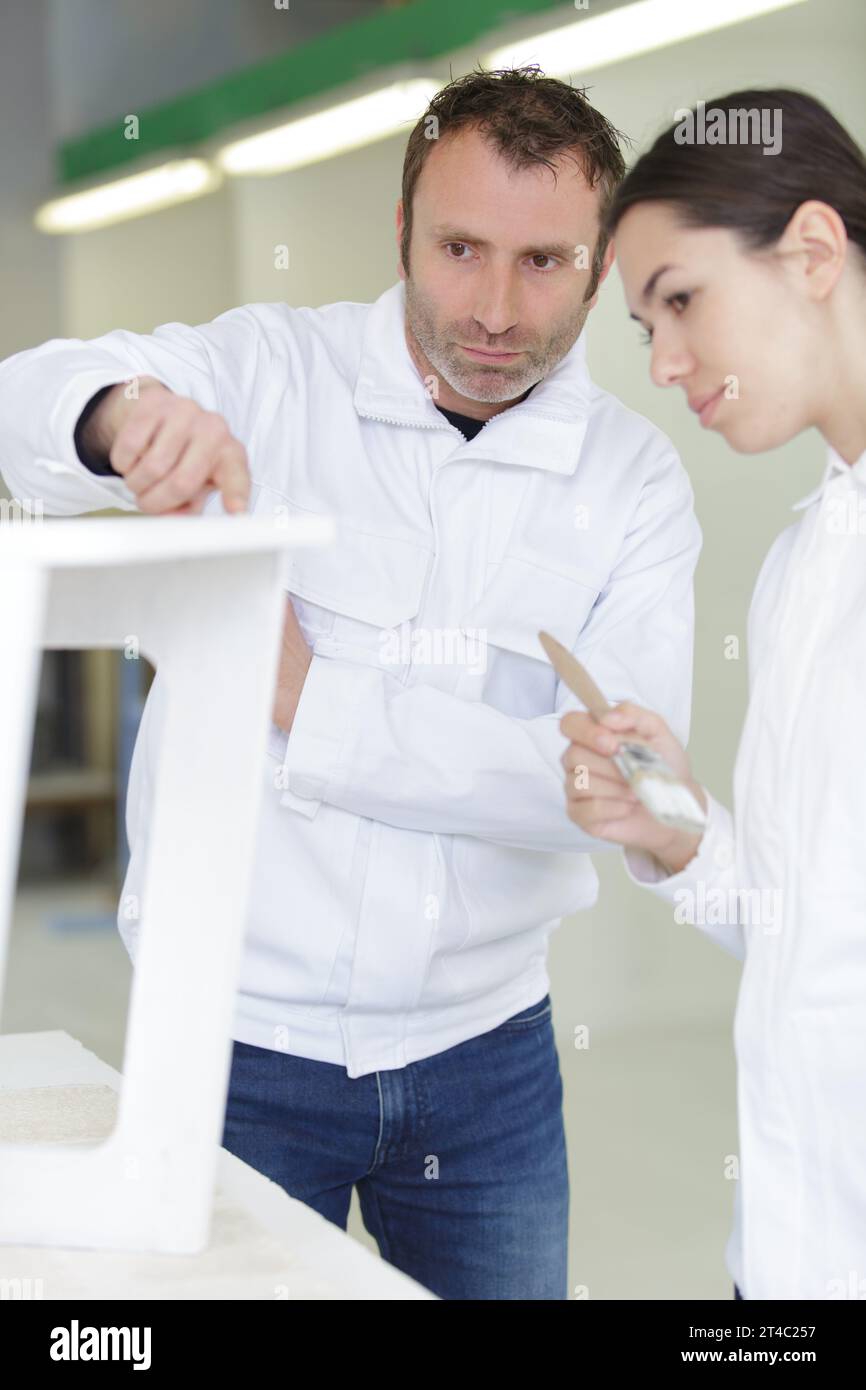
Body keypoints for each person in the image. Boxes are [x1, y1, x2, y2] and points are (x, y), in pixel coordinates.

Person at [0, 66, 703, 1300]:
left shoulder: (633, 485)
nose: (492, 306)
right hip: (235, 1047)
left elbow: (613, 786)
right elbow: (21, 399)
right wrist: (123, 417)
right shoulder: (271, 371)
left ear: (598, 265)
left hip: (487, 1060)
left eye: (544, 262)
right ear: (401, 234)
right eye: (459, 247)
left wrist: (305, 700)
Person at [560, 87, 866, 1302]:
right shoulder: (802, 563)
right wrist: (673, 827)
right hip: (788, 1259)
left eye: (679, 300)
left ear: (810, 250)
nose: (667, 363)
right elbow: (808, 935)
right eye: (643, 329)